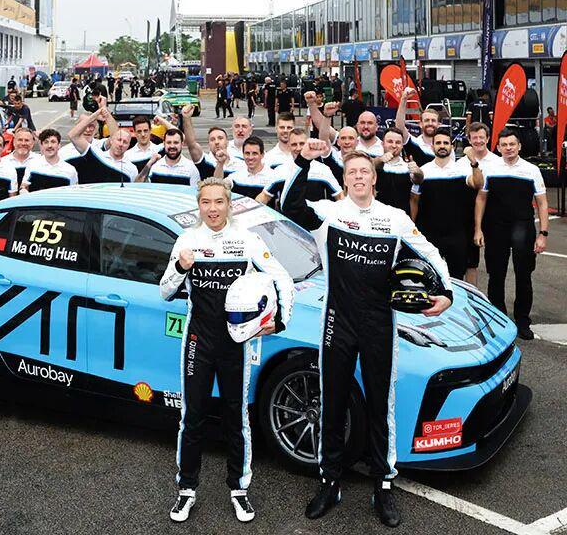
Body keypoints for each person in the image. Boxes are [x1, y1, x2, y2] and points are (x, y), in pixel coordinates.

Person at [282, 139, 453, 528]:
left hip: (379, 322)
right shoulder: (329, 213)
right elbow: (289, 206)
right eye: (352, 172)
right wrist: (303, 161)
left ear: (374, 179)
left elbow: (429, 252)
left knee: (380, 405)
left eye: (364, 172)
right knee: (332, 401)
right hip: (337, 322)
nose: (358, 177)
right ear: (345, 179)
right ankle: (330, 482)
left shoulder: (394, 218)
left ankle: (383, 484)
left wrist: (446, 291)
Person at [160, 177, 294, 525]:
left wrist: (281, 319)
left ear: (229, 205)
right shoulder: (187, 240)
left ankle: (239, 489)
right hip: (198, 342)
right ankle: (186, 489)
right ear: (199, 206)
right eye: (206, 202)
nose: (213, 209)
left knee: (236, 416)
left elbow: (281, 277)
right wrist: (180, 267)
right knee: (193, 417)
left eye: (219, 202)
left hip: (236, 343)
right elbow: (165, 291)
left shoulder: (247, 240)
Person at [473, 130, 549, 340]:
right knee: (496, 275)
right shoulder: (489, 169)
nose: (508, 148)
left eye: (512, 144)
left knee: (524, 276)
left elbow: (542, 203)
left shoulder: (532, 170)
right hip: (495, 228)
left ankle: (523, 321)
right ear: (498, 148)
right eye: (504, 145)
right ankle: (498, 320)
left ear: (519, 146)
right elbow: (481, 199)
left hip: (523, 228)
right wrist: (478, 228)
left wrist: (543, 233)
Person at [410, 131, 481, 280]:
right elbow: (414, 201)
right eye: (438, 143)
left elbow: (478, 184)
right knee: (429, 277)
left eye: (446, 143)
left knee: (456, 277)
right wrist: (412, 227)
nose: (442, 146)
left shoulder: (462, 169)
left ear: (452, 147)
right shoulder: (423, 171)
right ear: (432, 147)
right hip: (430, 234)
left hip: (456, 234)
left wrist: (474, 162)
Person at [456, 123, 501, 285]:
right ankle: (470, 297)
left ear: (488, 139)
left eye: (481, 137)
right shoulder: (460, 163)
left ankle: (494, 297)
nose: (478, 141)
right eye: (474, 138)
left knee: (496, 263)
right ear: (469, 140)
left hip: (495, 216)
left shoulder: (498, 162)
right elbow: (476, 185)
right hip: (469, 216)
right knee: (471, 262)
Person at [257, 127, 343, 210]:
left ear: (308, 144)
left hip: (315, 218)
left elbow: (339, 196)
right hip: (288, 218)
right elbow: (264, 196)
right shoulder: (280, 170)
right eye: (294, 144)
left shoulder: (322, 169)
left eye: (302, 144)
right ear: (289, 146)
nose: (298, 148)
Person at [67, 103, 138, 184]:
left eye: (125, 142)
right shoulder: (97, 154)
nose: (121, 144)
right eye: (119, 140)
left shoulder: (132, 169)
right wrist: (95, 115)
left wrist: (105, 112)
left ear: (128, 145)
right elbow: (73, 136)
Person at [370, 127, 423, 215]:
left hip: (401, 218)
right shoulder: (375, 163)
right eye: (390, 141)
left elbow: (418, 181)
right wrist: (381, 160)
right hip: (377, 217)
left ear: (402, 145)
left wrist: (418, 172)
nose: (394, 145)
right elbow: (370, 166)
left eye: (398, 142)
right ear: (382, 144)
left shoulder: (408, 167)